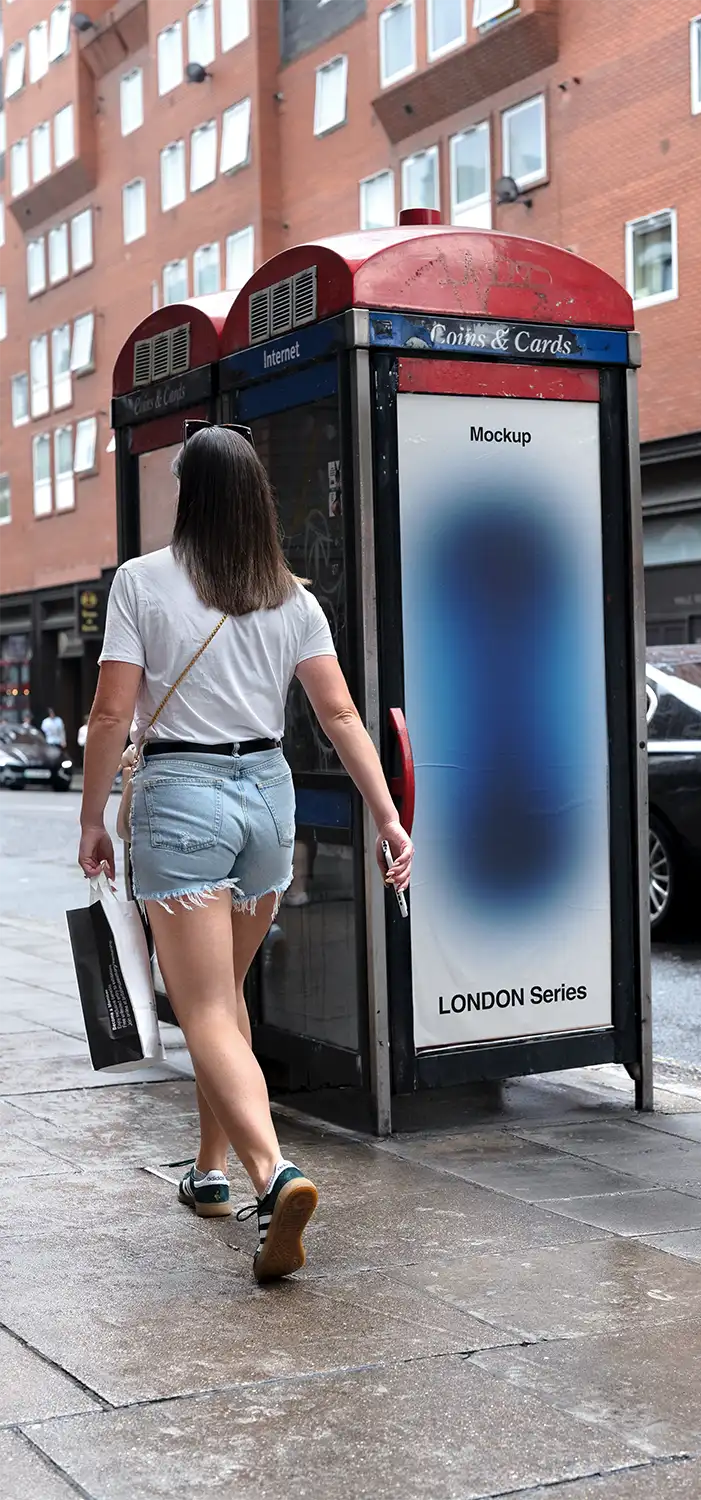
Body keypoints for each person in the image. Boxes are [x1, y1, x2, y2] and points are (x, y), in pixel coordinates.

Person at [77, 425, 412, 1283]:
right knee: (221, 998)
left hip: (182, 801)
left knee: (204, 1014)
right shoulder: (292, 597)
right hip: (269, 801)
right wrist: (387, 817)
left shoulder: (143, 583)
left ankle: (275, 1175)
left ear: (189, 495)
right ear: (257, 498)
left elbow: (112, 716)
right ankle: (210, 1173)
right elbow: (340, 717)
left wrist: (92, 819)